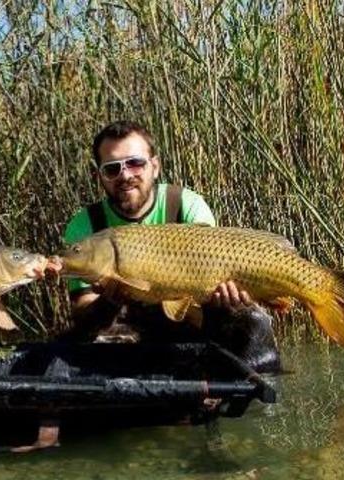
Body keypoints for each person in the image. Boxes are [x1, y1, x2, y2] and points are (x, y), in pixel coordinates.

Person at [61, 120, 278, 370]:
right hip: (128, 328)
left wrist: (230, 302)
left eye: (135, 163)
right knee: (91, 345)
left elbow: (217, 271)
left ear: (155, 166)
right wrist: (109, 301)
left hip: (194, 317)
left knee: (249, 319)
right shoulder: (85, 226)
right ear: (99, 175)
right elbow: (83, 312)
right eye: (112, 169)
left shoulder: (186, 204)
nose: (125, 175)